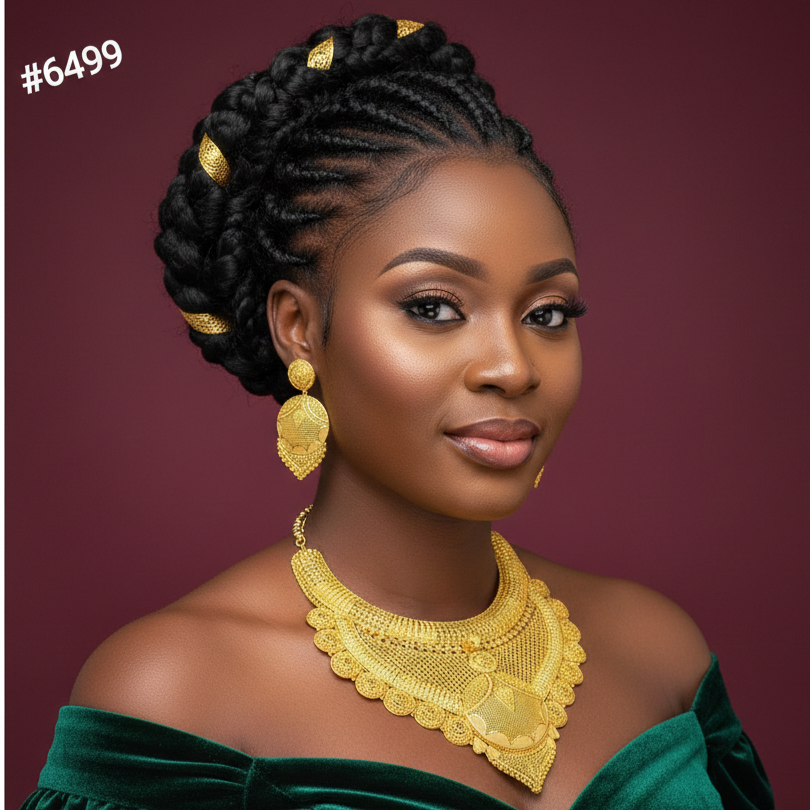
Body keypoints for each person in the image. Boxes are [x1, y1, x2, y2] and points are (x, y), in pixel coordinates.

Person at [21, 14, 773, 810]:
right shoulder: (172, 694)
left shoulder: (661, 655)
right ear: (299, 327)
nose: (513, 367)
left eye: (547, 314)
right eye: (435, 307)